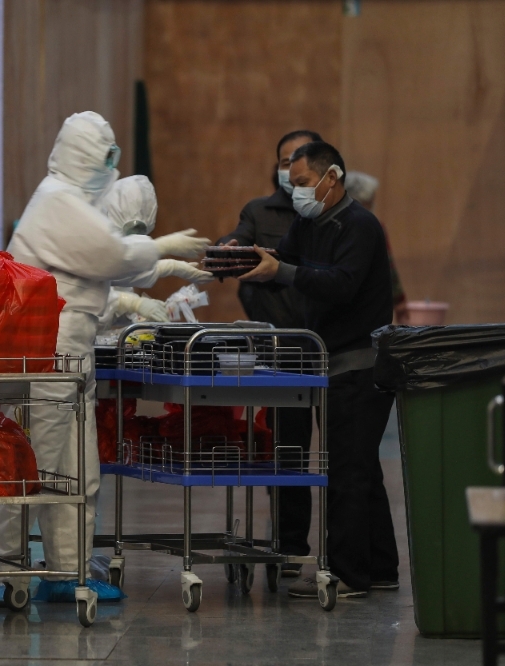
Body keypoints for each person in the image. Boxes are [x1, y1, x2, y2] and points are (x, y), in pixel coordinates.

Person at [0, 111, 211, 579]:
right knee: (34, 464)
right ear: (84, 155)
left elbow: (98, 271)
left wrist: (160, 267)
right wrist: (161, 250)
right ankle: (3, 570)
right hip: (45, 353)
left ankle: (70, 570)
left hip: (71, 351)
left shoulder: (70, 202)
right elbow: (110, 255)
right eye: (105, 156)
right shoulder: (57, 200)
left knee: (78, 470)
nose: (110, 166)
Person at [239, 140, 398, 599]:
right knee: (361, 471)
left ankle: (348, 574)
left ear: (332, 178)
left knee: (347, 474)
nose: (297, 193)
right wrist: (243, 262)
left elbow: (341, 285)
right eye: (292, 185)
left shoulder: (360, 226)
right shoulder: (309, 224)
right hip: (330, 364)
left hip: (360, 368)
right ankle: (380, 567)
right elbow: (285, 262)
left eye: (304, 183)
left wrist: (280, 272)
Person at [216, 130, 321, 576]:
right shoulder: (259, 212)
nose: (290, 168)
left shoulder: (331, 216)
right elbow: (238, 242)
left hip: (330, 347)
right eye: (283, 160)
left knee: (347, 461)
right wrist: (229, 249)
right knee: (287, 455)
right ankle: (290, 548)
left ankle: (359, 558)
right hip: (282, 354)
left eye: (299, 159)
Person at [98, 175, 214, 327]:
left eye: (140, 232)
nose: (135, 240)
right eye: (131, 230)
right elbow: (89, 291)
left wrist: (135, 313)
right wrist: (130, 303)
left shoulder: (111, 250)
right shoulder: (94, 240)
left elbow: (122, 273)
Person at [344, 171, 409, 323]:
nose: (373, 205)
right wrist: (399, 299)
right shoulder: (373, 227)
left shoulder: (331, 225)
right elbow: (388, 265)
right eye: (370, 201)